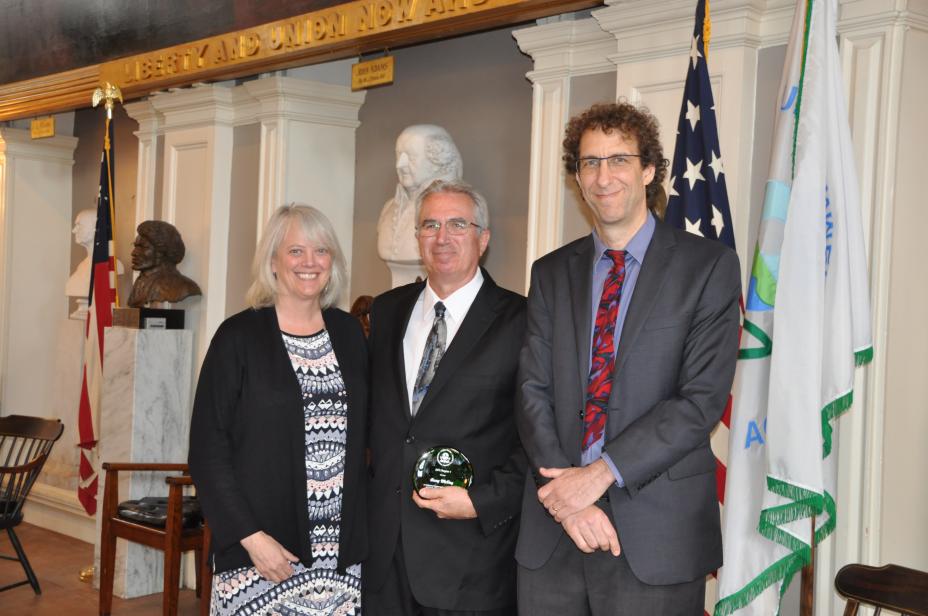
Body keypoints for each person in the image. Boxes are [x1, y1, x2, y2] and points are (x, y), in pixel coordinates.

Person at [516, 102, 742, 615]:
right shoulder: (550, 272)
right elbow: (532, 390)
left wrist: (598, 475)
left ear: (648, 170)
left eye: (619, 160)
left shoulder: (707, 268)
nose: (603, 177)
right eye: (590, 163)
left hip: (656, 534)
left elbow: (699, 402)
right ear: (577, 177)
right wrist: (566, 497)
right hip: (553, 533)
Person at [188, 204, 367, 615]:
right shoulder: (237, 337)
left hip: (340, 558)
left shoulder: (349, 334)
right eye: (295, 251)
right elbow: (207, 451)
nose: (310, 262)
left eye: (321, 251)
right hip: (262, 555)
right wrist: (251, 538)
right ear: (272, 261)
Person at [365, 179, 527, 615]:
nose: (442, 237)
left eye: (458, 224)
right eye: (430, 225)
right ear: (418, 237)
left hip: (470, 562)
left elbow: (539, 439)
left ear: (483, 238)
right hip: (385, 559)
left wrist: (482, 502)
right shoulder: (386, 311)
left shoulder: (522, 319)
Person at [377, 125, 463, 287]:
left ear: (436, 161)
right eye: (398, 155)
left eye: (411, 156)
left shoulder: (463, 210)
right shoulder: (389, 208)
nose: (400, 164)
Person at [127, 220, 201, 307]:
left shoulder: (184, 287)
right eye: (135, 246)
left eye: (143, 247)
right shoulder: (139, 282)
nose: (134, 253)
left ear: (162, 251)